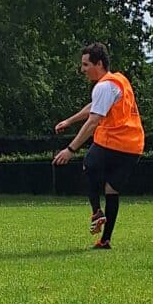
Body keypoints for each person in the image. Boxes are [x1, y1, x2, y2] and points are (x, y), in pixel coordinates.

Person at [53, 42, 146, 251]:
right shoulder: (119, 80)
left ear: (99, 64)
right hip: (133, 146)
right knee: (111, 189)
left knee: (89, 165)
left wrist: (70, 149)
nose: (83, 69)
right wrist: (70, 121)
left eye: (86, 64)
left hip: (113, 140)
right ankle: (105, 240)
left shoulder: (103, 86)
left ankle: (96, 212)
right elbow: (95, 106)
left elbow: (93, 121)